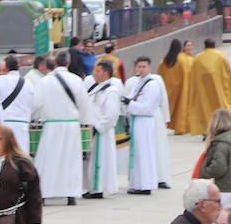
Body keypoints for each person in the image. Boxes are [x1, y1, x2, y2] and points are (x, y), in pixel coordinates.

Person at [34, 50, 89, 204]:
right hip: (71, 126)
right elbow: (84, 104)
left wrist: (36, 117)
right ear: (68, 63)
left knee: (48, 159)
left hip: (51, 126)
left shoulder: (45, 81)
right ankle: (70, 194)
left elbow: (36, 103)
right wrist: (84, 121)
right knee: (70, 161)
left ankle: (44, 193)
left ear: (55, 63)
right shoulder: (77, 80)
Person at [124, 56, 167, 192]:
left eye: (144, 67)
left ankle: (145, 185)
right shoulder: (137, 82)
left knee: (144, 153)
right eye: (139, 67)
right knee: (136, 153)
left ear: (149, 68)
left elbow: (148, 107)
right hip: (136, 120)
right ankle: (137, 183)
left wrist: (130, 104)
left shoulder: (152, 84)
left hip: (144, 120)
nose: (141, 69)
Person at [83, 60, 122, 199]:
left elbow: (111, 114)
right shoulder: (97, 88)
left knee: (99, 160)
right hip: (93, 129)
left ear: (106, 73)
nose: (94, 73)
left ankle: (98, 188)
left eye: (98, 71)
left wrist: (98, 127)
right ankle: (92, 187)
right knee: (92, 160)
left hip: (101, 131)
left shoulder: (111, 91)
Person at [197, 108, 231, 203]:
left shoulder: (221, 144)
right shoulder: (230, 139)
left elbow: (219, 167)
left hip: (222, 187)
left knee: (218, 216)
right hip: (230, 185)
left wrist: (204, 172)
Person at [0, 54, 35, 145]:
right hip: (22, 124)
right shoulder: (28, 83)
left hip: (4, 124)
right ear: (19, 67)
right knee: (20, 155)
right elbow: (33, 104)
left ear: (6, 68)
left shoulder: (0, 80)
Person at [157, 39, 193, 134]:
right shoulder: (183, 59)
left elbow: (160, 72)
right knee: (180, 108)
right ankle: (179, 126)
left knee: (167, 107)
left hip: (167, 87)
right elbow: (186, 74)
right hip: (180, 88)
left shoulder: (165, 59)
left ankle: (164, 125)